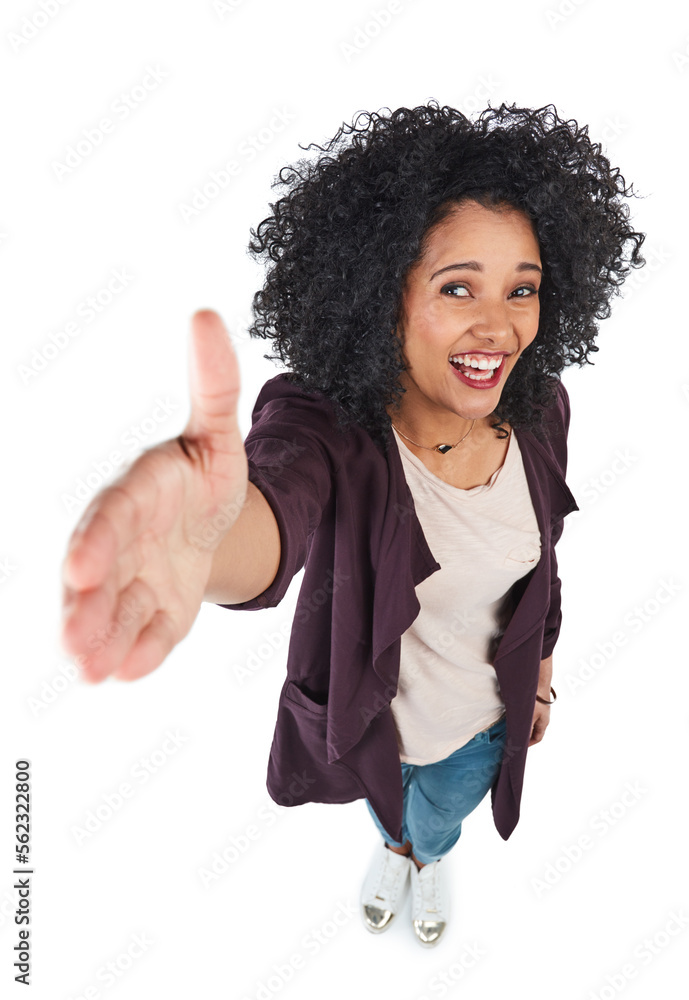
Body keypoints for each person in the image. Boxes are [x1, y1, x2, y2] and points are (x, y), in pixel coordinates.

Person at [59, 101, 645, 948]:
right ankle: (394, 848)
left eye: (523, 288)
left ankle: (426, 859)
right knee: (385, 808)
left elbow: (539, 565)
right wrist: (204, 539)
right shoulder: (329, 428)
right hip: (372, 725)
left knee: (439, 819)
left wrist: (542, 671)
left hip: (485, 727)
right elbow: (274, 510)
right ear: (383, 294)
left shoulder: (542, 408)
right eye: (457, 287)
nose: (500, 325)